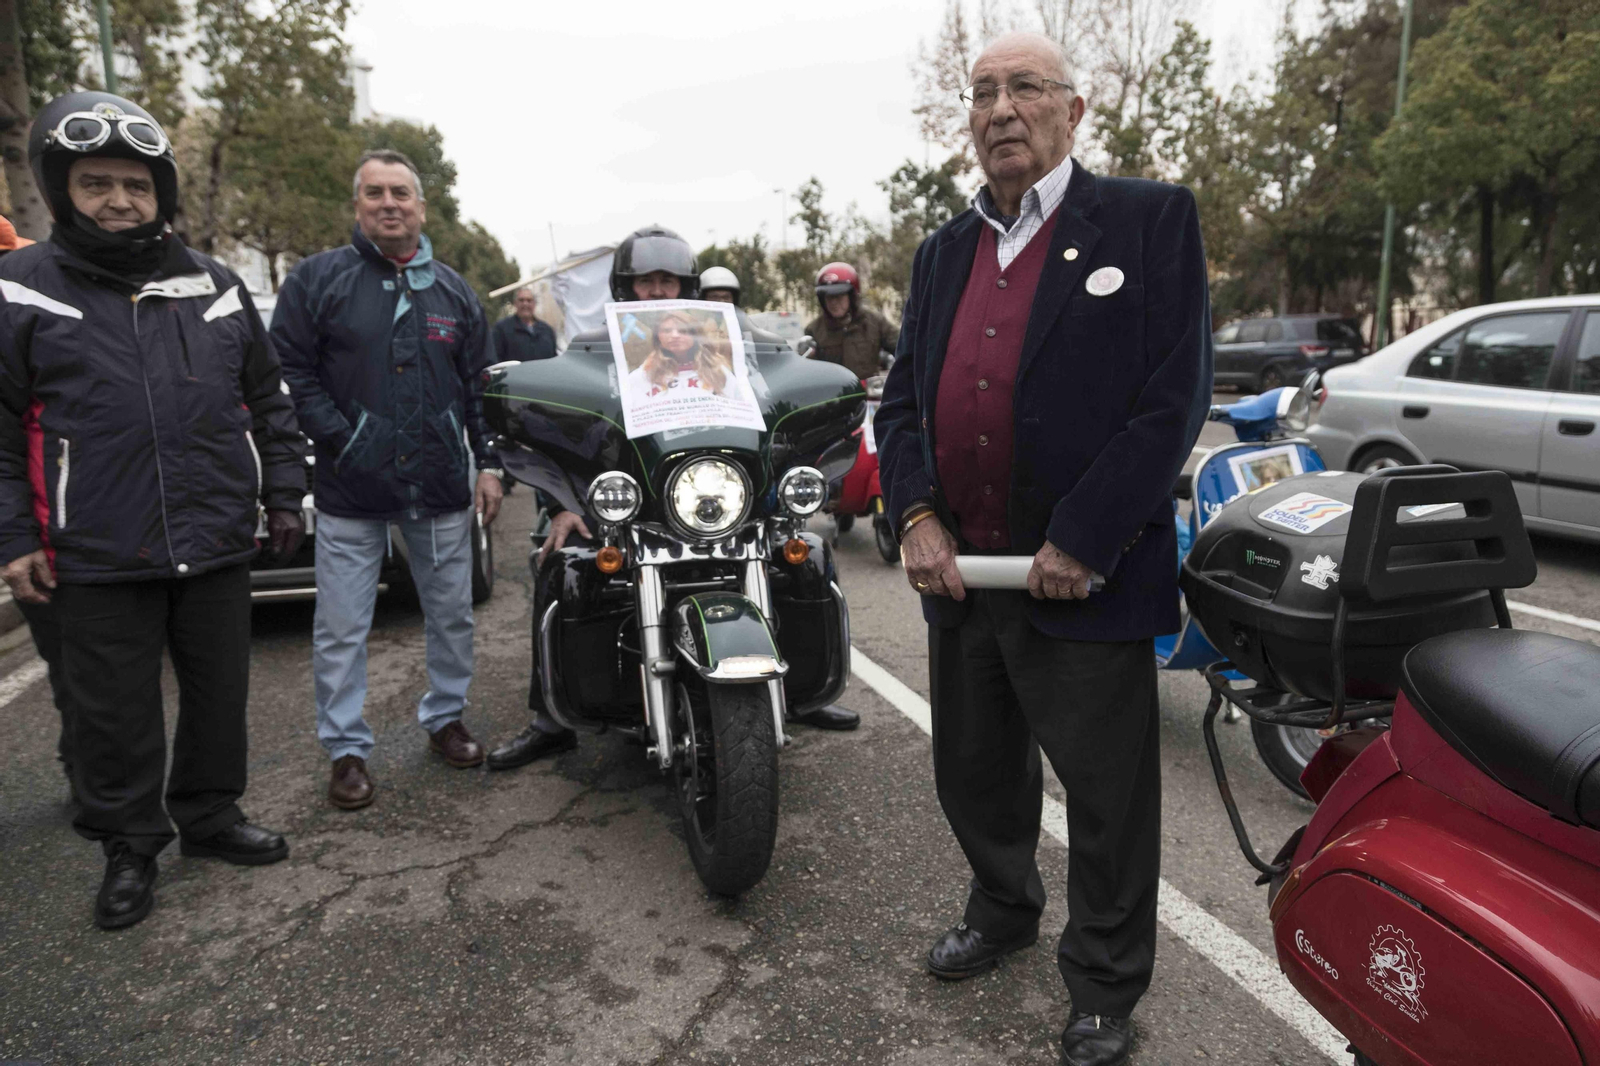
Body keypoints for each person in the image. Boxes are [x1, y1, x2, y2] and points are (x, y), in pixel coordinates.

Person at [874, 33, 1212, 1066]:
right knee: (974, 772)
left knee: (1107, 799)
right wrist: (916, 515)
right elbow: (900, 408)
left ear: (1074, 109)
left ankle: (1105, 984)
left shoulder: (1148, 221)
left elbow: (1170, 401)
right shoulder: (940, 251)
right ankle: (1004, 904)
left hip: (1082, 576)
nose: (999, 108)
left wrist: (1085, 532)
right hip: (964, 577)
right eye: (981, 92)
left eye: (1023, 87)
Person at [0, 92, 308, 930]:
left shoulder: (214, 284)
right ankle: (130, 847)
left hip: (213, 536)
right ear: (61, 188)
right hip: (94, 547)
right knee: (114, 715)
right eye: (95, 182)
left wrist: (283, 494)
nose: (118, 200)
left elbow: (269, 400)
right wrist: (14, 536)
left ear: (160, 190)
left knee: (219, 696)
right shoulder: (18, 289)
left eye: (134, 184)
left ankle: (209, 816)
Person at [487, 225, 855, 771]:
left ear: (688, 286)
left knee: (805, 556)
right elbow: (575, 433)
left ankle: (799, 689)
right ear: (624, 289)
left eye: (669, 281)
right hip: (633, 509)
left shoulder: (733, 348)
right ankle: (548, 719)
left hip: (718, 498)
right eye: (645, 283)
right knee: (561, 568)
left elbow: (771, 395)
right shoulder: (595, 351)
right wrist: (567, 500)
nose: (657, 293)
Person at [272, 149, 503, 810]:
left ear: (422, 207)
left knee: (452, 613)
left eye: (401, 192)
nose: (389, 203)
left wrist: (487, 464)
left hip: (436, 488)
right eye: (375, 193)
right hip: (351, 491)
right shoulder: (318, 281)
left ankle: (446, 718)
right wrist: (342, 437)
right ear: (358, 205)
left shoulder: (453, 291)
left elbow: (477, 389)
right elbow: (290, 369)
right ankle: (346, 750)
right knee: (342, 625)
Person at [624, 309, 745, 403]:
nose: (675, 335)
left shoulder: (717, 370)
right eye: (667, 331)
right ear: (658, 338)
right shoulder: (646, 372)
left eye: (683, 331)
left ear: (695, 335)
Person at [804, 262, 899, 380]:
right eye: (828, 297)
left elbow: (903, 347)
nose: (833, 302)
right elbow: (806, 372)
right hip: (832, 394)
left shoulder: (875, 322)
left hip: (867, 394)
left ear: (852, 296)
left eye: (839, 296)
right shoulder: (814, 330)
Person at [491, 286, 558, 362]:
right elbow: (496, 360)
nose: (525, 304)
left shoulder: (547, 330)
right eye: (521, 300)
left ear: (534, 304)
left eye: (529, 300)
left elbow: (554, 360)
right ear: (515, 303)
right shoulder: (501, 329)